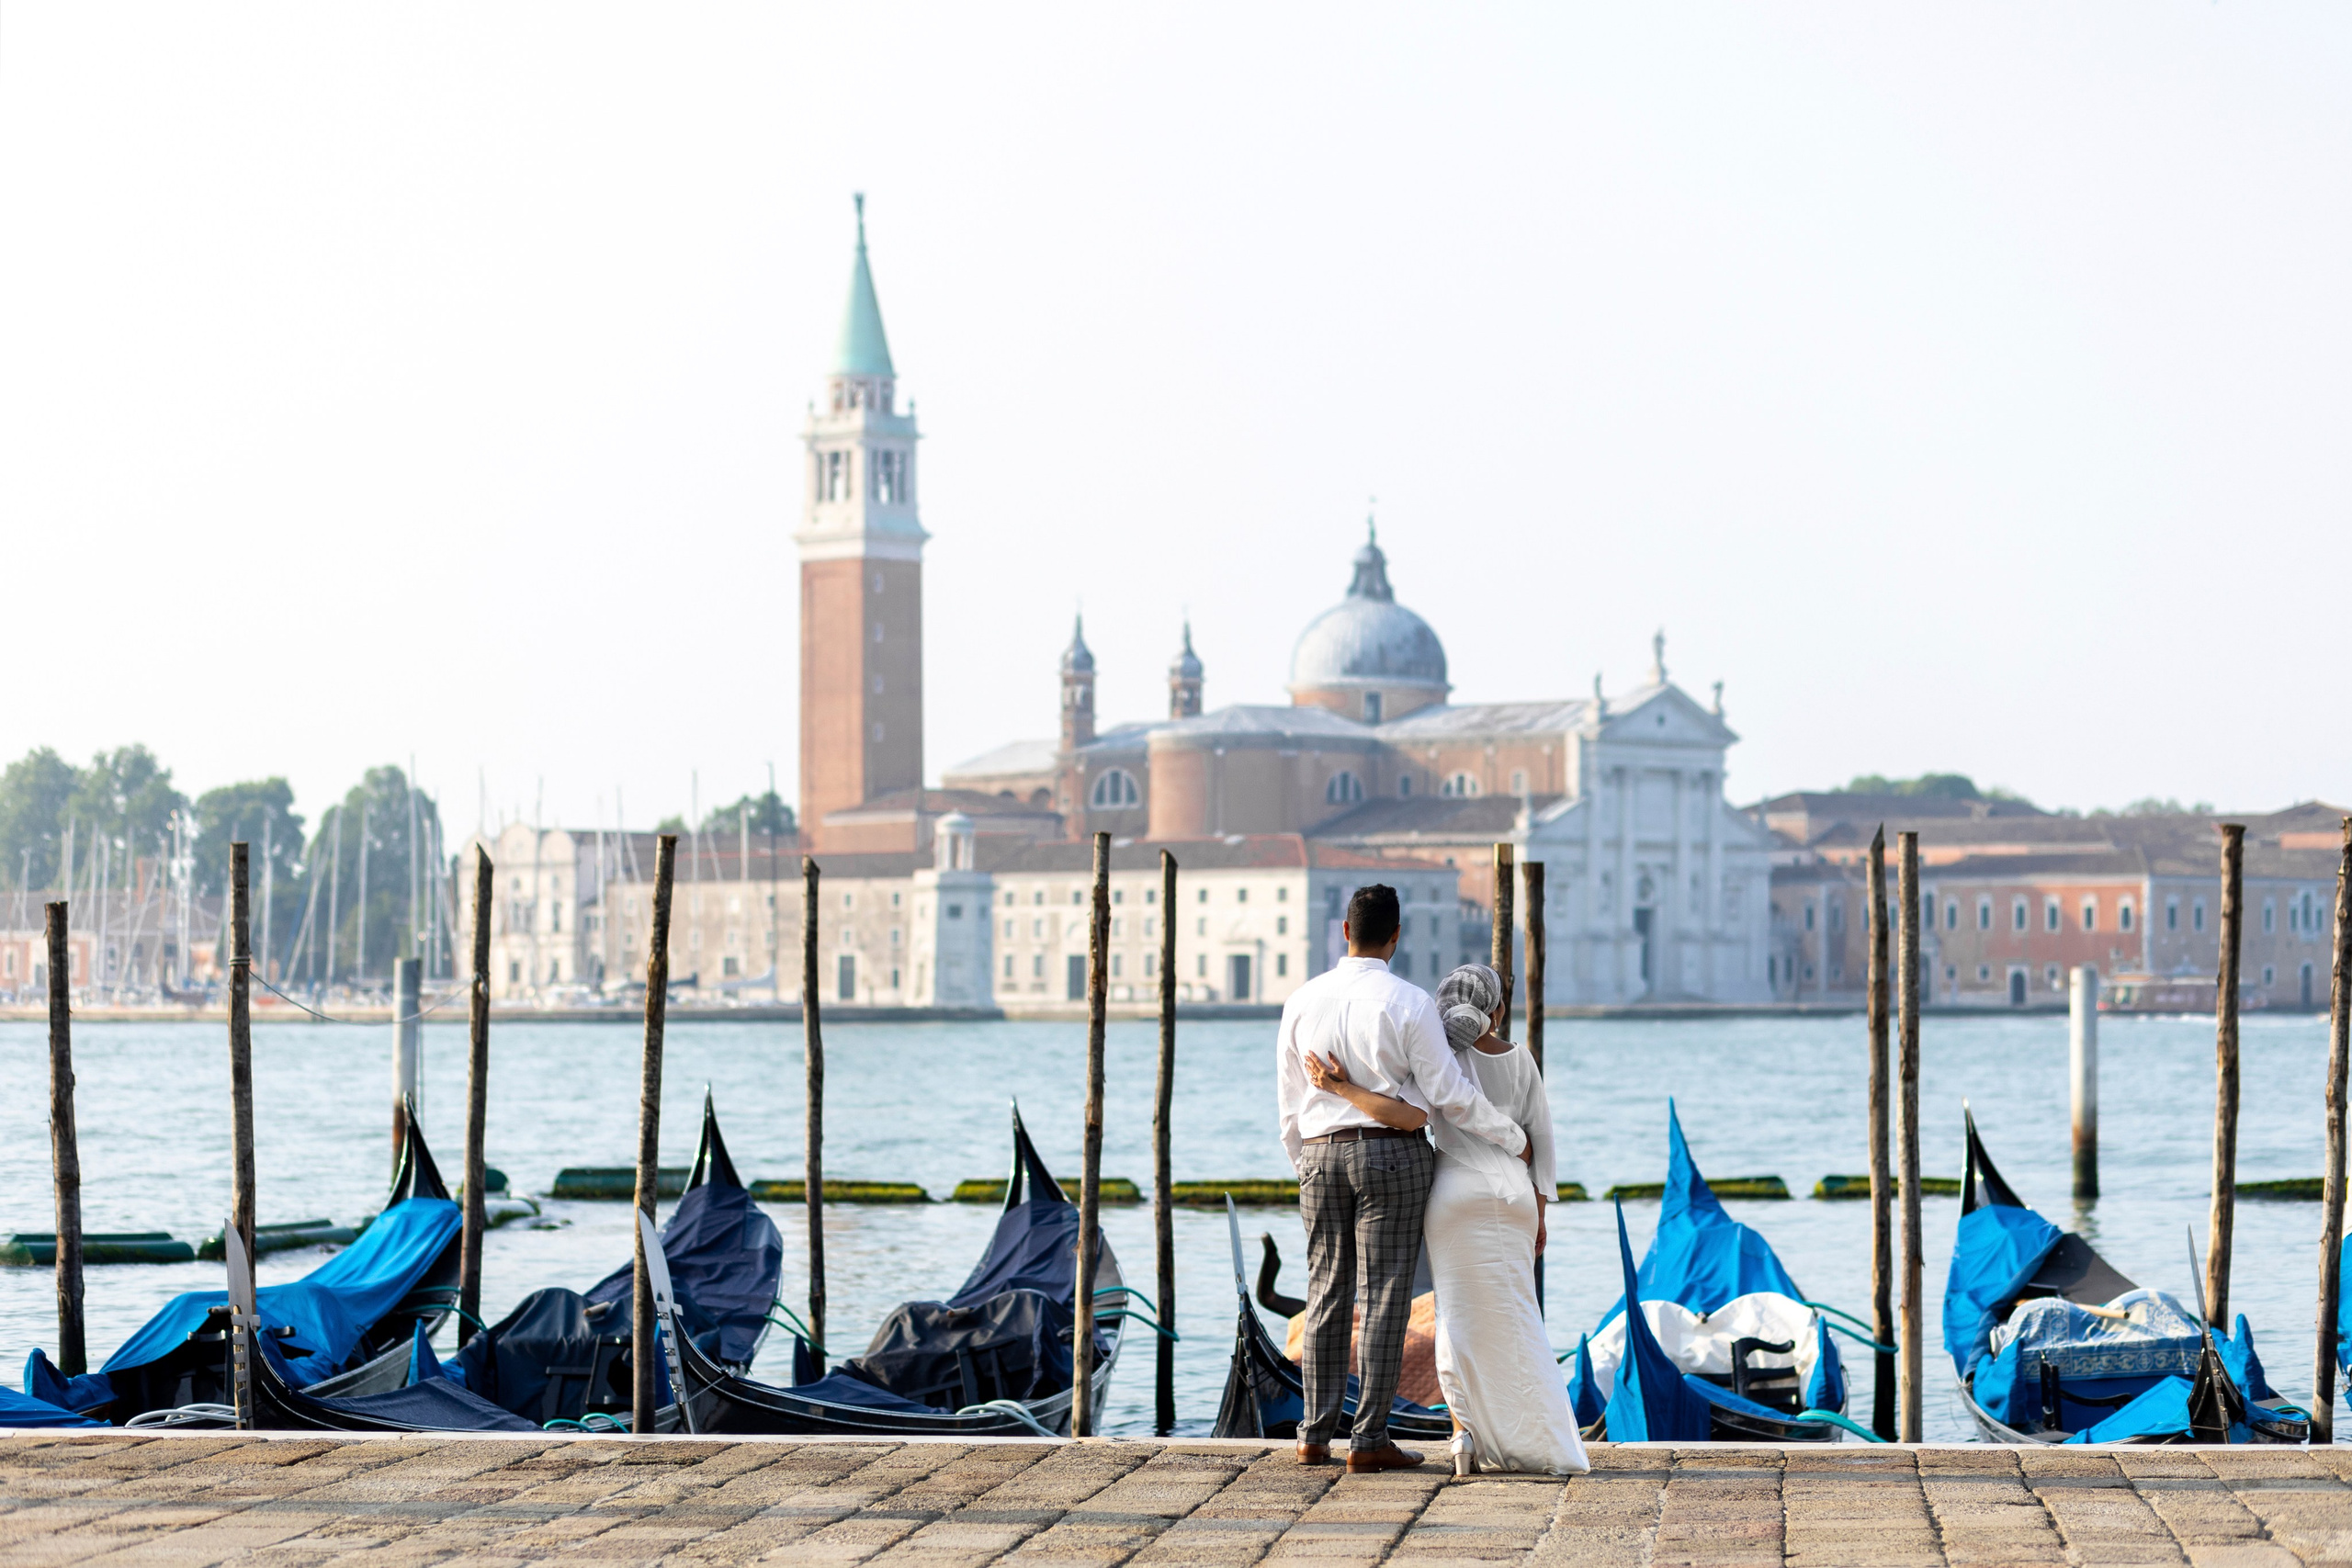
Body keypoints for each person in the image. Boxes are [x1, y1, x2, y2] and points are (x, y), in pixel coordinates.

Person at [1274, 885, 1532, 1472]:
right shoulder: (1410, 1002)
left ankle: (1313, 1435)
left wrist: (1306, 1163)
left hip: (1317, 1153)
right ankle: (1368, 1440)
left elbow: (1288, 1108)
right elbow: (1448, 1097)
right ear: (1396, 937)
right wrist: (1513, 1139)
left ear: (1344, 931)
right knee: (1388, 1293)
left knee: (1325, 1291)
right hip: (1393, 1155)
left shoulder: (1301, 1001)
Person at [1306, 961, 1586, 1476]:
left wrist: (1340, 1088)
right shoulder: (1523, 1060)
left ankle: (1463, 1436)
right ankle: (1543, 1439)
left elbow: (1405, 1115)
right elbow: (1543, 1146)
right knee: (1519, 1317)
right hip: (1514, 1196)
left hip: (1452, 1193)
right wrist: (1540, 1212)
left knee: (1456, 1320)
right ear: (1498, 1009)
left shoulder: (1435, 1059)